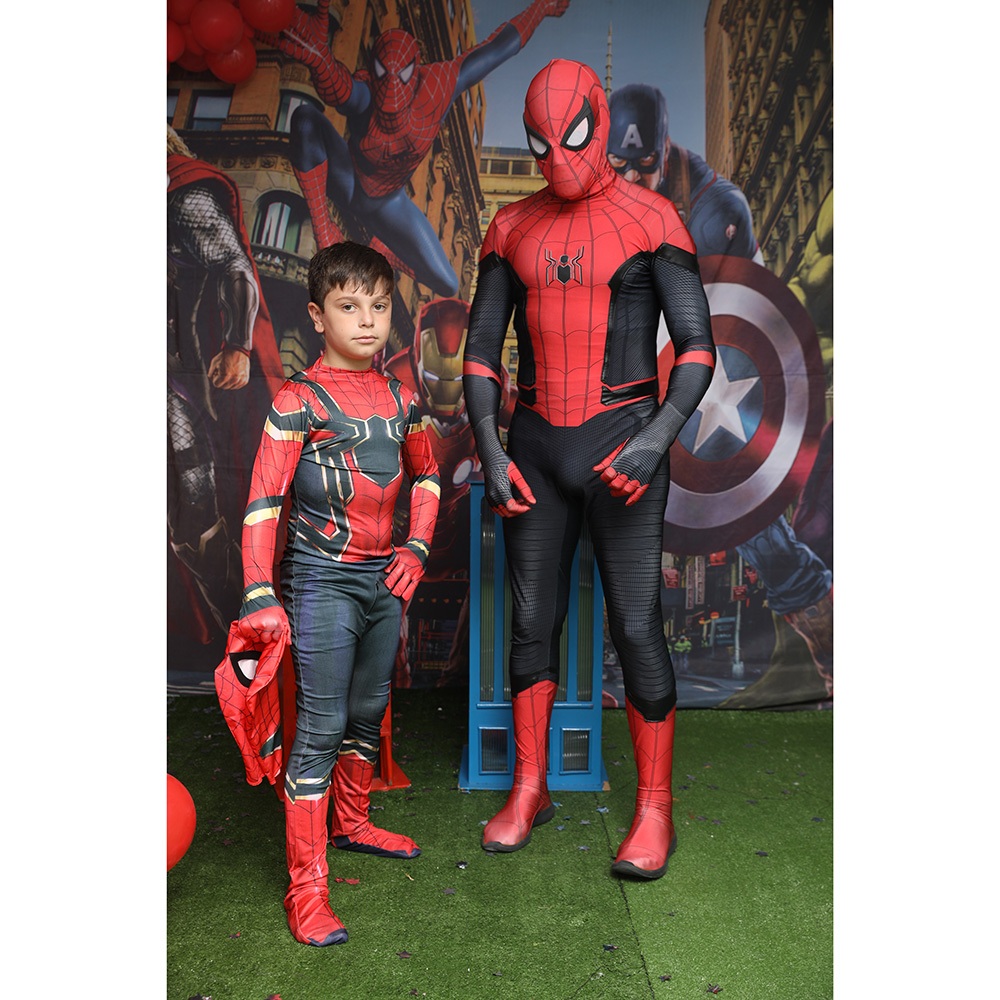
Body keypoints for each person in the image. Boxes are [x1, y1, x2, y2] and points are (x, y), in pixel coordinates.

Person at [462, 60, 716, 881]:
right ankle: (528, 786)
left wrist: (656, 439)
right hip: (535, 447)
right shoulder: (510, 226)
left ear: (598, 120)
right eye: (541, 146)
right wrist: (492, 449)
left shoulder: (653, 218)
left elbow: (697, 348)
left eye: (569, 138)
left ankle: (655, 808)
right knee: (531, 620)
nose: (559, 161)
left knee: (636, 624)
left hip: (625, 447)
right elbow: (481, 354)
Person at [233, 241, 441, 946]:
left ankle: (351, 822)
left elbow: (427, 476)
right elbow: (264, 500)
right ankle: (306, 889)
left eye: (379, 306)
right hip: (322, 578)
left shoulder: (404, 399)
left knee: (368, 709)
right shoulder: (296, 400)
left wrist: (417, 546)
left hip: (384, 580)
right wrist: (259, 591)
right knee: (320, 729)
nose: (368, 320)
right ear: (318, 316)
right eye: (350, 306)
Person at [607, 83, 833, 698]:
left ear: (664, 150)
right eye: (617, 165)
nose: (631, 178)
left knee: (735, 498)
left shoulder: (714, 211)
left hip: (720, 363)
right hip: (646, 361)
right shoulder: (607, 195)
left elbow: (720, 323)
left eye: (642, 165)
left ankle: (823, 625)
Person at [264, 0, 570, 296]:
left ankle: (385, 251)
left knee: (448, 283)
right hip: (350, 181)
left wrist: (540, 8)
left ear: (415, 71)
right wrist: (321, 62)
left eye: (402, 75)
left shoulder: (437, 86)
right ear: (374, 72)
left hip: (389, 203)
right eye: (384, 74)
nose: (392, 88)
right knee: (305, 118)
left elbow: (497, 48)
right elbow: (341, 90)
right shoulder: (366, 93)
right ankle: (323, 228)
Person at [167, 126, 286, 642]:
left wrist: (238, 342)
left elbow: (232, 263)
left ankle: (246, 631)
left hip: (175, 379)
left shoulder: (179, 191)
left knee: (195, 507)